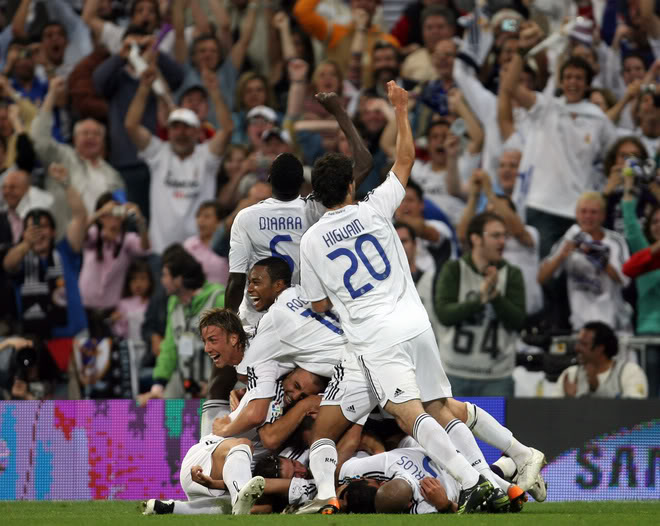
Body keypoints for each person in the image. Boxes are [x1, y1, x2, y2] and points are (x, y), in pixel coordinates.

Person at [298, 81, 498, 515]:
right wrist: (401, 109)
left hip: (376, 336)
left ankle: (469, 482)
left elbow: (316, 305)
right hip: (416, 322)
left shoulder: (311, 241)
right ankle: (493, 477)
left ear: (318, 193)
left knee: (408, 414)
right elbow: (405, 158)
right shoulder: (374, 206)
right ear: (351, 185)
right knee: (440, 406)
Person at [225, 92, 372, 329]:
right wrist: (339, 113)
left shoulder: (245, 217)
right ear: (301, 183)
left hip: (259, 322)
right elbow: (364, 162)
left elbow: (236, 279)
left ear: (269, 178)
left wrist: (229, 326)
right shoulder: (316, 208)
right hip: (305, 320)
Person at [124, 66, 229, 253]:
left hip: (200, 253)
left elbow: (227, 130)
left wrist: (214, 91)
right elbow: (131, 125)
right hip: (160, 251)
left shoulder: (206, 156)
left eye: (187, 128)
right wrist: (143, 88)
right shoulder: (158, 153)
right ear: (169, 131)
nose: (181, 133)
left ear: (198, 132)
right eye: (176, 127)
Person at [435, 211, 526, 397]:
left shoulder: (512, 273)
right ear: (475, 239)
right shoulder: (454, 269)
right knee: (451, 427)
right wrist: (479, 299)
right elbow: (444, 315)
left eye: (504, 236)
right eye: (495, 235)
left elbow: (518, 321)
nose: (502, 242)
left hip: (496, 377)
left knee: (494, 428)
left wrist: (495, 297)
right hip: (454, 372)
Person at [2, 164, 87, 340]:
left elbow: (80, 216)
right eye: (33, 228)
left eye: (44, 227)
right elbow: (7, 264)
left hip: (75, 337)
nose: (39, 232)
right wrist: (27, 244)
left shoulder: (65, 251)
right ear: (24, 233)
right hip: (35, 340)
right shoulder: (20, 256)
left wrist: (66, 183)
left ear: (54, 232)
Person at [138, 245, 225, 403]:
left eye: (165, 276)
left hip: (219, 393)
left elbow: (232, 347)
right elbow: (169, 348)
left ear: (178, 279)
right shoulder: (174, 303)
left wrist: (219, 384)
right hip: (187, 393)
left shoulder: (217, 298)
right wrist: (157, 387)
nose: (161, 281)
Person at [538, 192, 631, 331]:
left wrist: (600, 259)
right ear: (576, 214)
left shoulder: (615, 241)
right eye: (583, 212)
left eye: (594, 212)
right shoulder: (568, 239)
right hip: (580, 325)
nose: (588, 216)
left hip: (612, 323)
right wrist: (561, 256)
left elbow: (625, 280)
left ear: (603, 216)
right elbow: (541, 277)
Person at [555, 321, 648, 398]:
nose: (577, 348)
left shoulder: (630, 372)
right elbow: (554, 414)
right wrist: (568, 401)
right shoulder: (570, 375)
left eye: (583, 344)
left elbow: (634, 412)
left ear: (600, 348)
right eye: (578, 343)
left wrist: (597, 389)